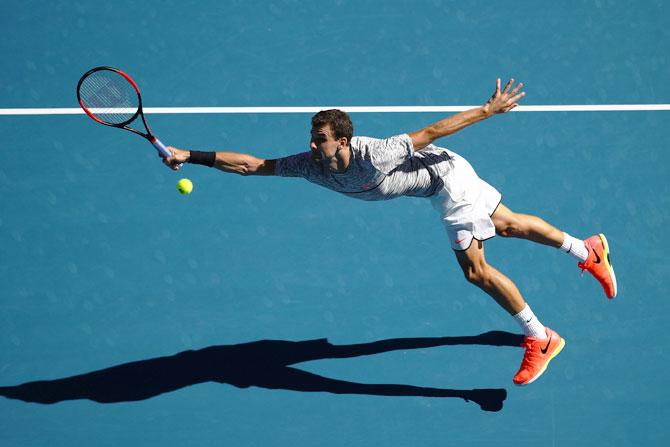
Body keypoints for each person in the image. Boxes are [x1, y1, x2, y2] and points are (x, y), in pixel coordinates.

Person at [162, 79, 617, 386]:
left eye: (319, 137)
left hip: (446, 179)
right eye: (311, 136)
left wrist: (488, 109)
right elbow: (252, 166)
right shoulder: (308, 166)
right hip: (439, 184)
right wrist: (191, 154)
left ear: (343, 140)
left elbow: (434, 130)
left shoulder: (374, 154)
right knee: (509, 224)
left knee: (475, 272)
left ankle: (541, 336)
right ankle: (589, 249)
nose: (311, 144)